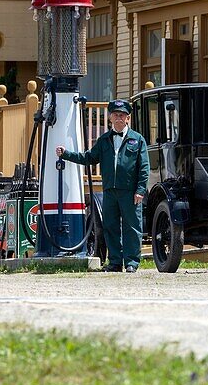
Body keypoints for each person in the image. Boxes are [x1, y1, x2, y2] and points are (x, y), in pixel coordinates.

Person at [57, 99, 150, 273]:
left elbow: (144, 167)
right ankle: (115, 262)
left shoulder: (137, 140)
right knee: (110, 226)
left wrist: (140, 190)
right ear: (110, 118)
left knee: (132, 227)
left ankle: (131, 262)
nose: (119, 118)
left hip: (129, 191)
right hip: (109, 191)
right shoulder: (104, 139)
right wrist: (67, 154)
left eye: (122, 115)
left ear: (128, 118)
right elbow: (88, 157)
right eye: (115, 115)